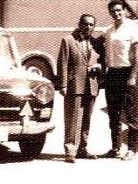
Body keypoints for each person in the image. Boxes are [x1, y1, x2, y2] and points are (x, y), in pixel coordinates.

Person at [101, 0, 138, 161]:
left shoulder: (133, 28)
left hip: (127, 73)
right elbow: (100, 47)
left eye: (119, 10)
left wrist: (133, 76)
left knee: (131, 113)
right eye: (113, 11)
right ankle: (116, 148)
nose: (116, 14)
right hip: (112, 74)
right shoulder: (108, 31)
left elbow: (137, 54)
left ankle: (132, 149)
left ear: (125, 11)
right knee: (114, 113)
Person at [56, 14, 101, 163]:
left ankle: (82, 149)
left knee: (86, 119)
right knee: (73, 120)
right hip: (74, 85)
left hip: (91, 85)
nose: (88, 27)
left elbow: (103, 61)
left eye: (91, 25)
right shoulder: (68, 40)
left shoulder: (95, 42)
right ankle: (70, 151)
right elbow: (62, 64)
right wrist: (63, 85)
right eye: (85, 24)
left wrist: (99, 67)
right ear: (79, 24)